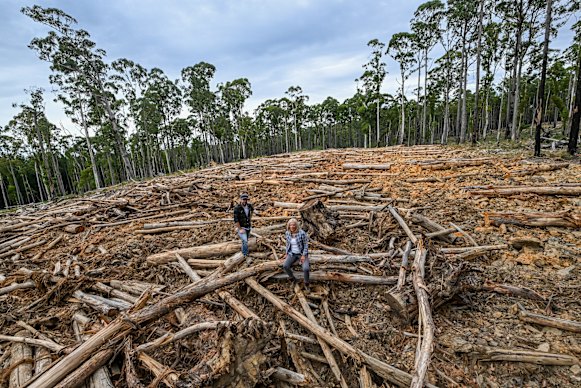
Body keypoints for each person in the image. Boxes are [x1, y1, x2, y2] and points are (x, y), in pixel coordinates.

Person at [281, 218, 310, 291]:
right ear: (289, 226)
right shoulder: (287, 233)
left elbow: (306, 245)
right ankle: (293, 279)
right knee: (285, 266)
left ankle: (306, 283)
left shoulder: (302, 233)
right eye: (291, 225)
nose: (292, 226)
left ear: (296, 225)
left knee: (306, 268)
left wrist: (303, 255)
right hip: (292, 253)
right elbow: (288, 244)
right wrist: (287, 253)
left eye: (294, 225)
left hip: (301, 253)